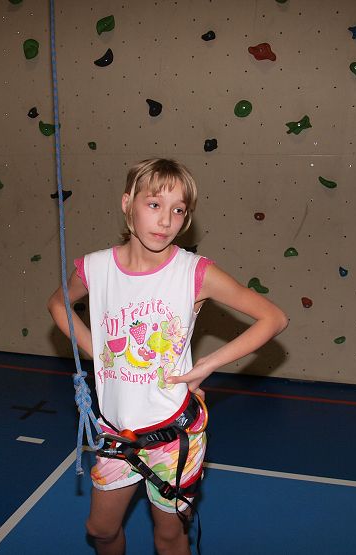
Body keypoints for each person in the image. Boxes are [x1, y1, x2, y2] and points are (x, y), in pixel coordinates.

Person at [48, 158, 288, 555]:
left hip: (174, 437)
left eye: (178, 210)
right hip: (116, 433)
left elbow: (273, 318)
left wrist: (208, 364)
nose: (165, 220)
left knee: (169, 537)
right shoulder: (94, 267)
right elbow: (58, 303)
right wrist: (97, 354)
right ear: (127, 203)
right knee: (100, 530)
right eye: (154, 204)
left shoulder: (194, 273)